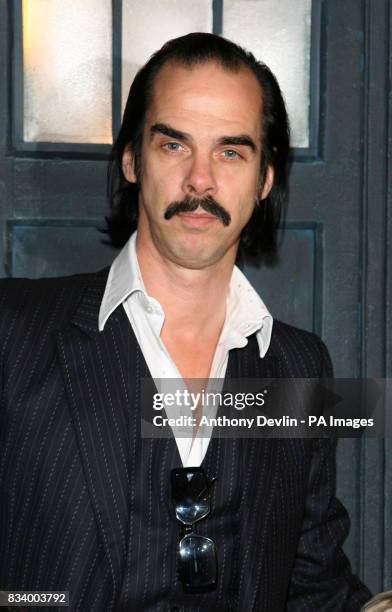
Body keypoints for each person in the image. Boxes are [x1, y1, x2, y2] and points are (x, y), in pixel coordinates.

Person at [0, 33, 372, 611]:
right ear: (131, 159)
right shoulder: (12, 331)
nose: (200, 181)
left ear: (265, 178)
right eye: (174, 145)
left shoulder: (302, 366)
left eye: (231, 151)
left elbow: (314, 587)